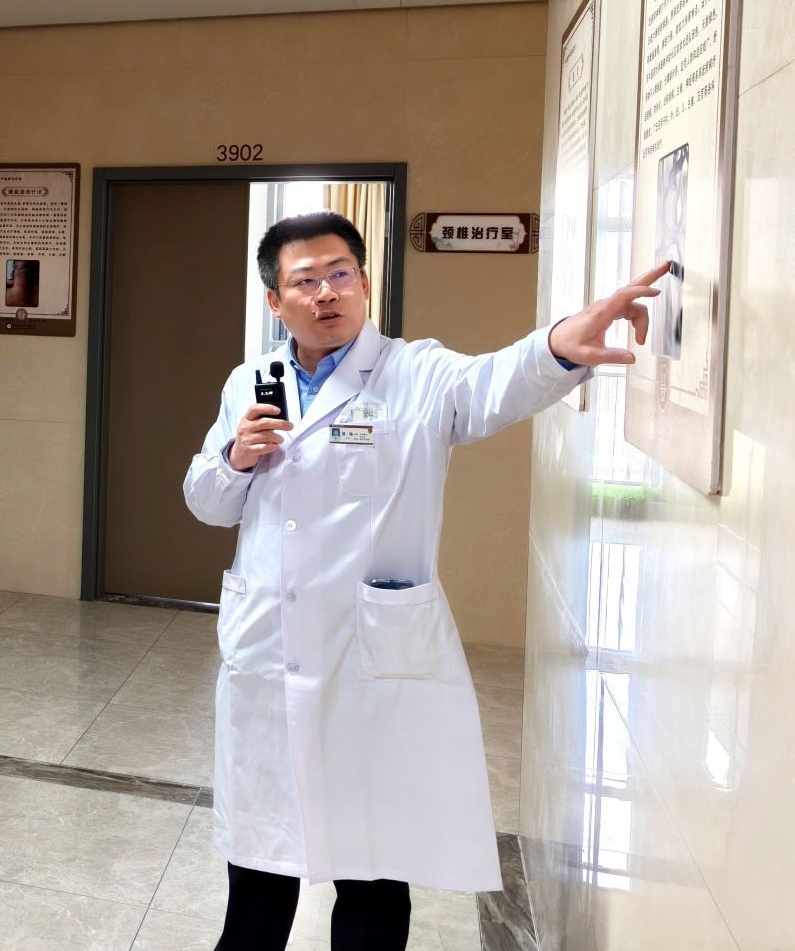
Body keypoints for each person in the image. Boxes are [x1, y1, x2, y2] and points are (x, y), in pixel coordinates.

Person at [183, 211, 667, 950]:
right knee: (259, 869)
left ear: (365, 282)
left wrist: (559, 345)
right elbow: (208, 502)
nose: (326, 293)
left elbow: (492, 383)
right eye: (305, 281)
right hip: (269, 658)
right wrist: (234, 460)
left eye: (340, 273)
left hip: (371, 661)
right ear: (276, 301)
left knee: (374, 871)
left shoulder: (417, 373)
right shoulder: (248, 382)